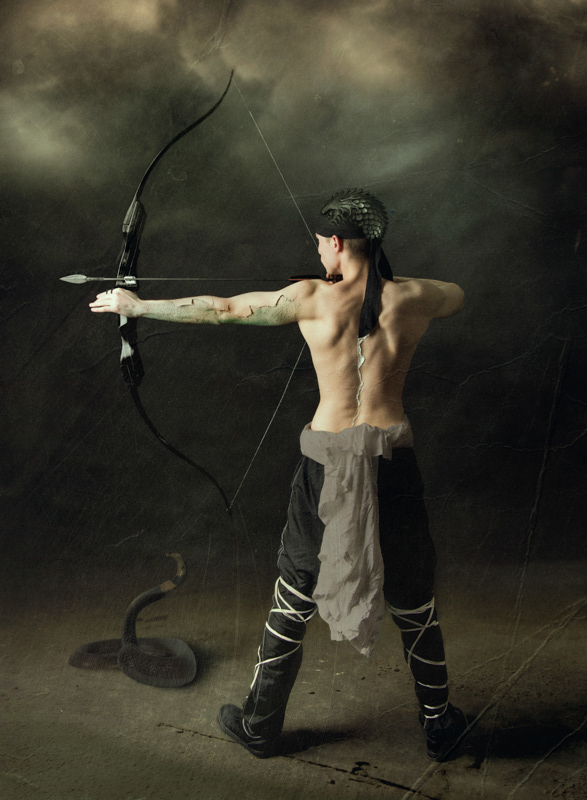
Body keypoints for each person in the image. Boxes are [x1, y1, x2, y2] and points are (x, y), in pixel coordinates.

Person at [90, 188, 466, 761]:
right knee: (413, 597)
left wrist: (137, 307)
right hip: (393, 461)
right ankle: (439, 724)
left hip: (326, 465)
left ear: (336, 242)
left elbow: (222, 308)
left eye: (321, 243)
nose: (317, 251)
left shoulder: (311, 298)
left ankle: (260, 726)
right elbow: (457, 294)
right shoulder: (417, 297)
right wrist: (385, 283)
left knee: (294, 596)